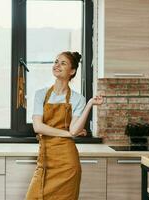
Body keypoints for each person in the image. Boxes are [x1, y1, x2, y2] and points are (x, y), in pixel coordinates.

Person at [26, 51, 104, 200]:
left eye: (63, 63)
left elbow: (74, 129)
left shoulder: (77, 99)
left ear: (72, 71)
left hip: (67, 163)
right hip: (45, 158)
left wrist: (89, 104)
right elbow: (38, 127)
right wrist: (68, 134)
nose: (57, 65)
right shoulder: (41, 94)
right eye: (56, 62)